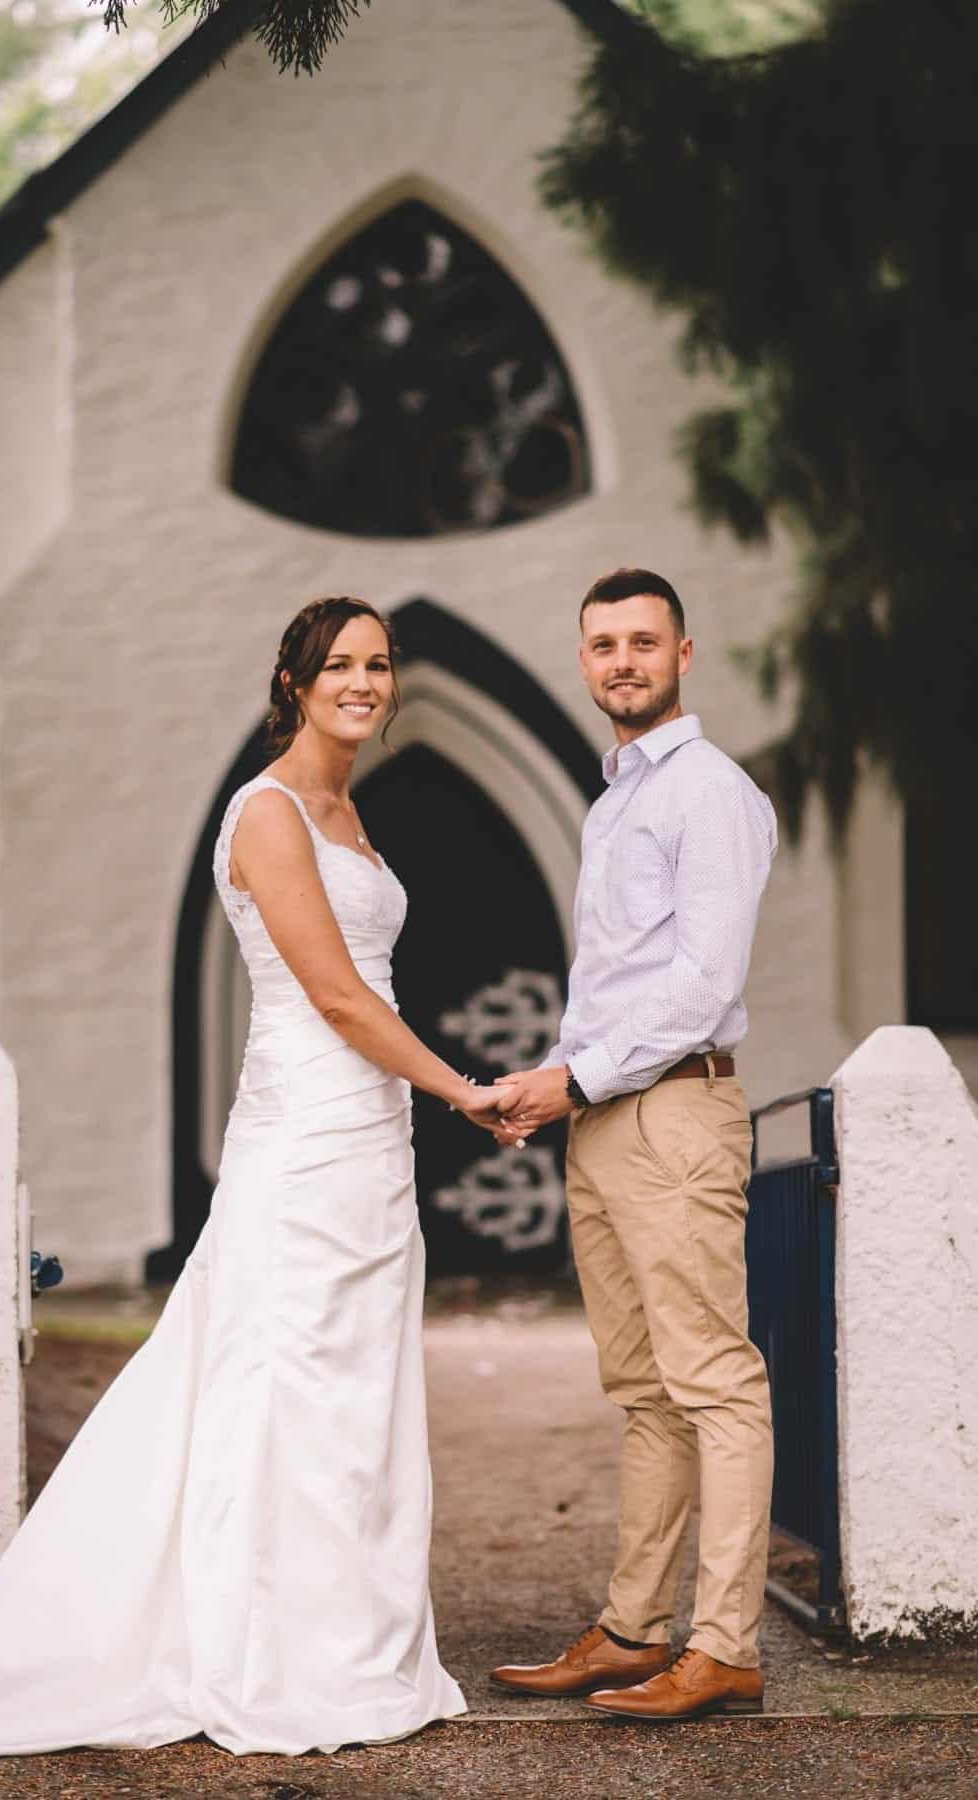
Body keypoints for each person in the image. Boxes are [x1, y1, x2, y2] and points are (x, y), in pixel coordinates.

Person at [0, 596, 509, 1759]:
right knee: (285, 1380)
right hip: (308, 1127)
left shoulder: (349, 809)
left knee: (355, 1390)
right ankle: (266, 1649)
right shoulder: (267, 813)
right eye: (341, 666)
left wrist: (415, 1101)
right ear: (294, 679)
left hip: (369, 1139)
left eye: (378, 666)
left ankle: (350, 1638)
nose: (364, 685)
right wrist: (462, 1088)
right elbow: (329, 992)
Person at [490, 568, 777, 1721]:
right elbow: (613, 980)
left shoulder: (706, 792)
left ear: (683, 654)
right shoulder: (615, 801)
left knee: (714, 1381)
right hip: (606, 1117)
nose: (621, 661)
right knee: (644, 1390)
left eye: (641, 643)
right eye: (602, 645)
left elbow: (704, 982)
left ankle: (725, 1646)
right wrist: (553, 1092)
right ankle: (629, 1629)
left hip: (672, 1110)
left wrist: (578, 1079)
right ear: (584, 661)